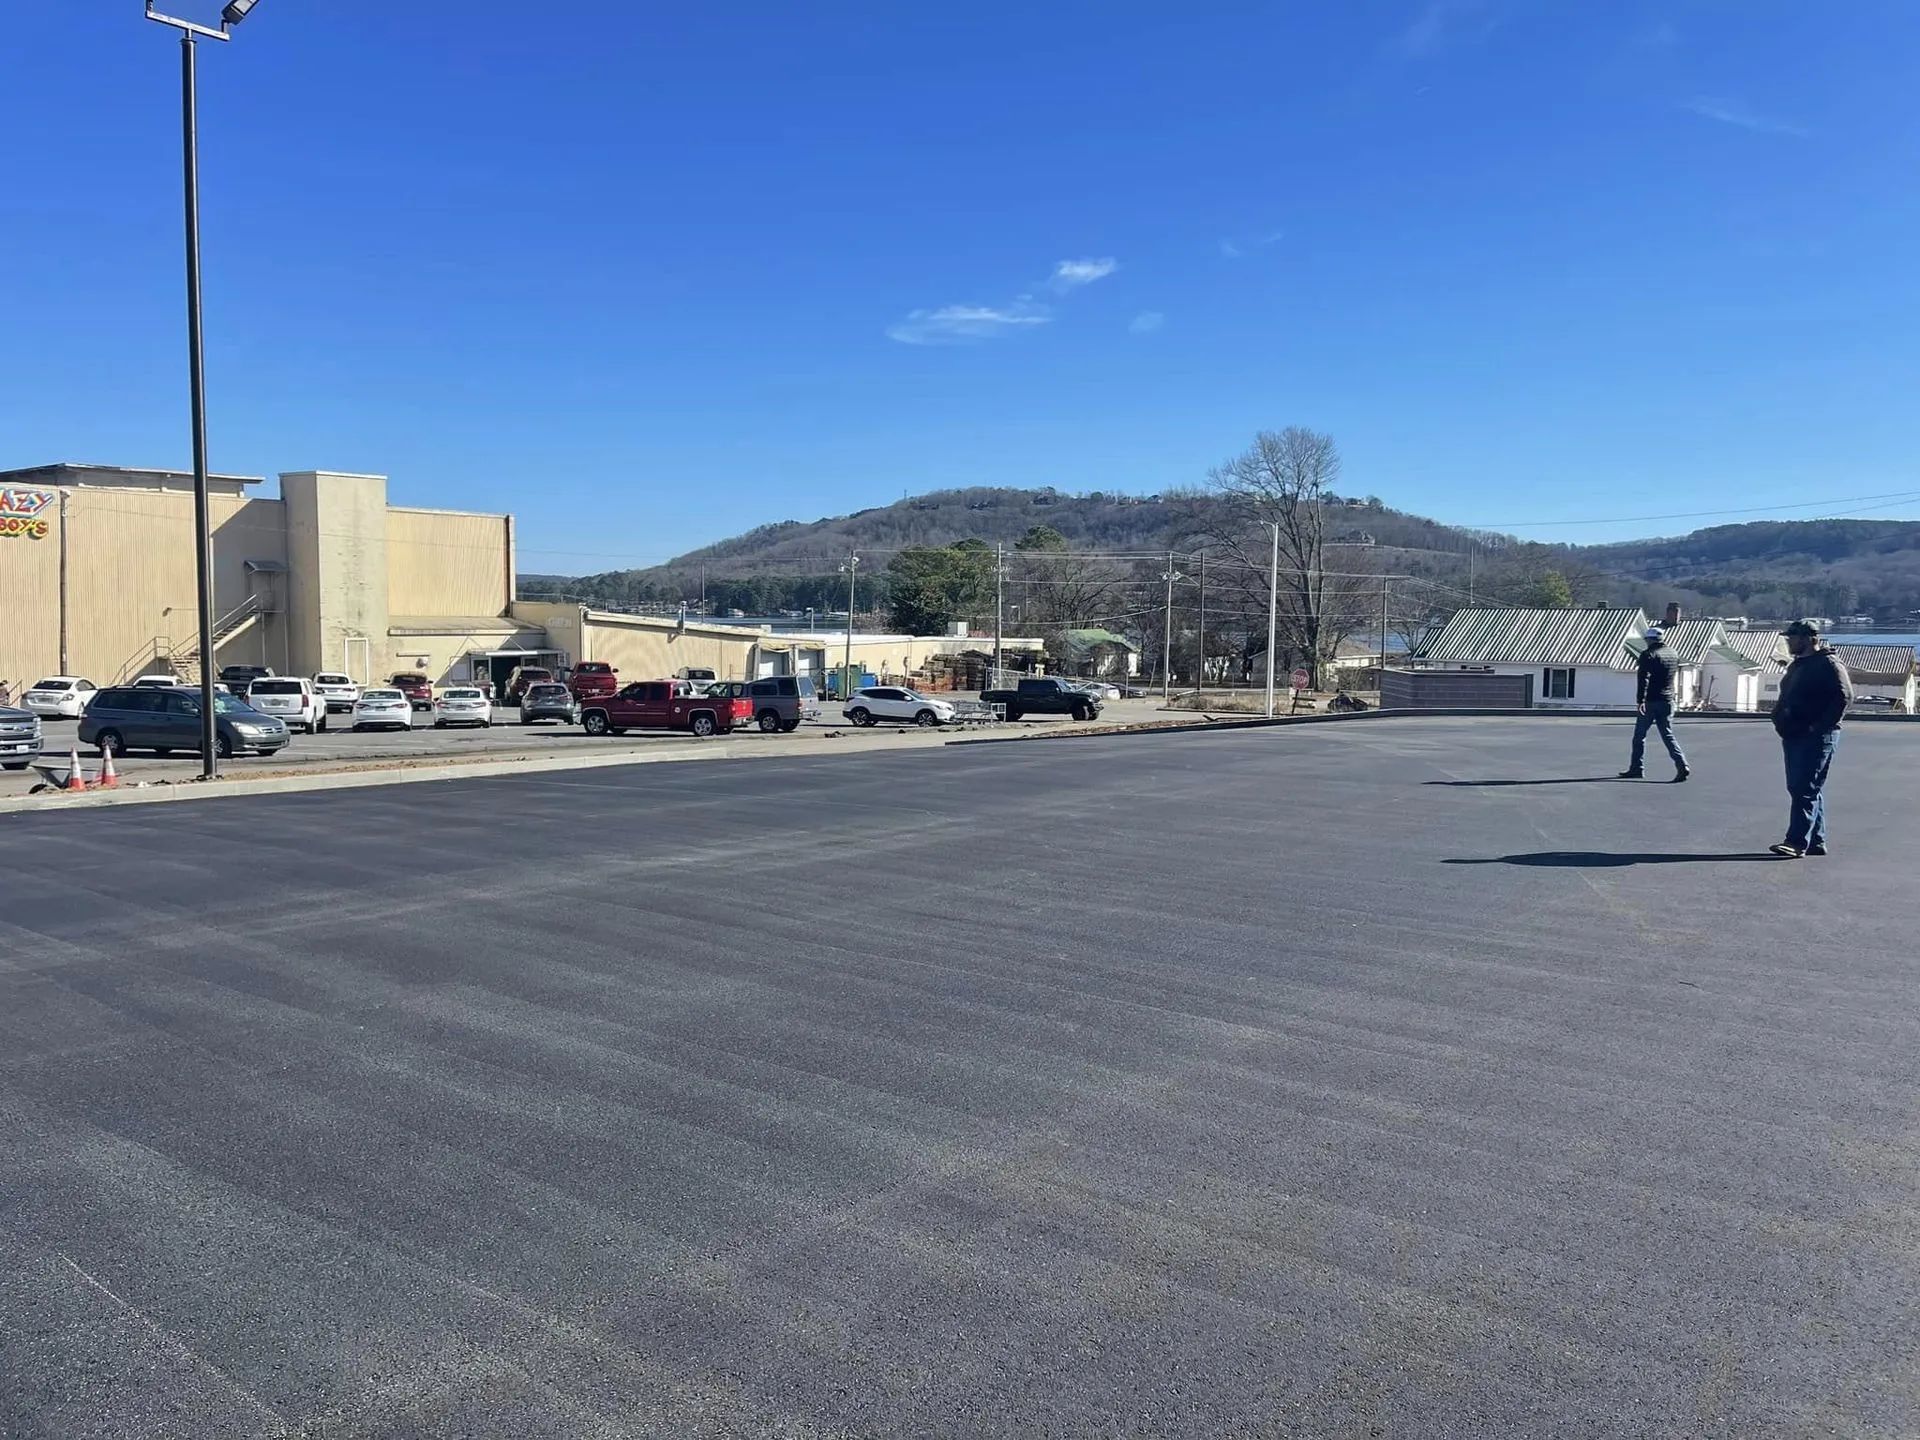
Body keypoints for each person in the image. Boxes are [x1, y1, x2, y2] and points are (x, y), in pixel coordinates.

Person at [1769, 620, 1853, 858]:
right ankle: (1816, 840)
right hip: (1794, 733)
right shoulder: (1798, 665)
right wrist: (1778, 718)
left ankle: (1796, 842)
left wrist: (1819, 727)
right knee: (1805, 788)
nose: (1788, 642)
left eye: (1792, 638)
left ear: (1807, 639)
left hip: (1816, 737)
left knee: (1804, 788)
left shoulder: (1828, 664)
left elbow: (1844, 697)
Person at [1620, 624, 1690, 781]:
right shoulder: (1673, 653)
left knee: (1639, 735)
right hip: (1668, 700)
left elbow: (1643, 678)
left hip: (1652, 700)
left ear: (1650, 640)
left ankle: (1636, 768)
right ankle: (1682, 764)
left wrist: (1640, 700)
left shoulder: (1648, 654)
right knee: (1667, 734)